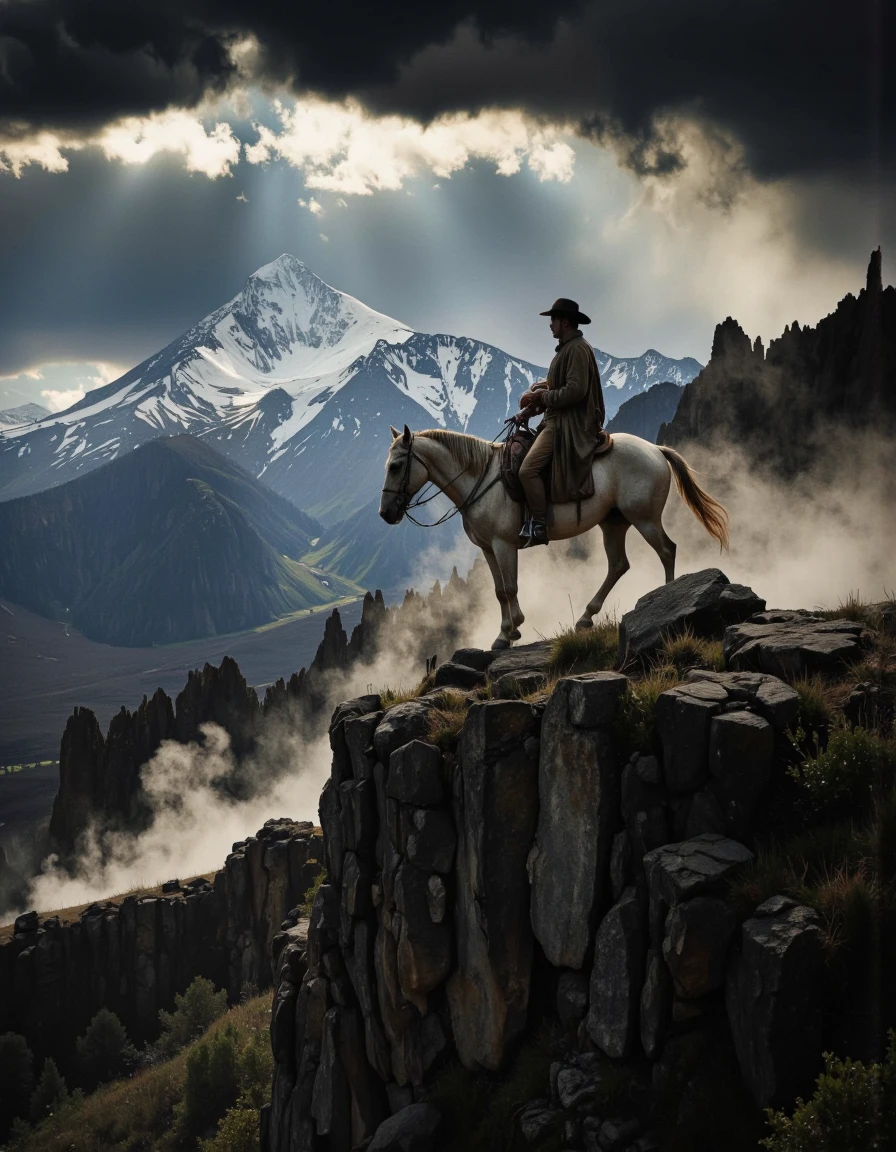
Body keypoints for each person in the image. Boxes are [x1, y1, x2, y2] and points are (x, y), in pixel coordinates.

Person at [517, 298, 606, 546]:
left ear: (565, 321)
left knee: (527, 469)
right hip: (556, 419)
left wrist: (541, 396)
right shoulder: (567, 348)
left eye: (553, 320)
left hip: (568, 423)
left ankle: (539, 524)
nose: (550, 325)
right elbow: (560, 387)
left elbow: (575, 391)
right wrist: (534, 403)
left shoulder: (576, 349)